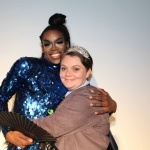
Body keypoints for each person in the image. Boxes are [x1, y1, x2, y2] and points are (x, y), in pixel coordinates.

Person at [0, 13, 116, 150]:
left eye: (59, 42)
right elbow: (1, 97)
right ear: (42, 47)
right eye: (47, 44)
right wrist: (8, 132)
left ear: (67, 44)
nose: (53, 48)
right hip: (23, 144)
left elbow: (85, 113)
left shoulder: (71, 79)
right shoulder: (26, 66)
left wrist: (112, 106)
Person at [33, 46, 110, 150]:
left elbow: (55, 125)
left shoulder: (87, 96)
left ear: (88, 72)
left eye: (76, 69)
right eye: (64, 68)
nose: (68, 74)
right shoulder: (75, 94)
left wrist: (21, 126)